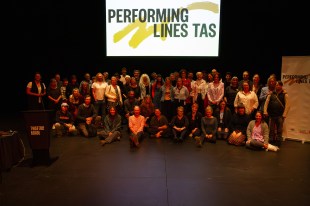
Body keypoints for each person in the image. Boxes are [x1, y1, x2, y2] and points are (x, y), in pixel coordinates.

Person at [264, 81, 290, 147]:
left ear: (281, 86)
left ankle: (278, 142)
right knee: (271, 129)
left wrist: (284, 114)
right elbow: (266, 103)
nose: (277, 86)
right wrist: (265, 111)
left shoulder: (285, 94)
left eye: (279, 85)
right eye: (277, 85)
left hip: (280, 115)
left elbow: (288, 105)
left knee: (279, 129)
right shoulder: (271, 94)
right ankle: (271, 141)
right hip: (272, 115)